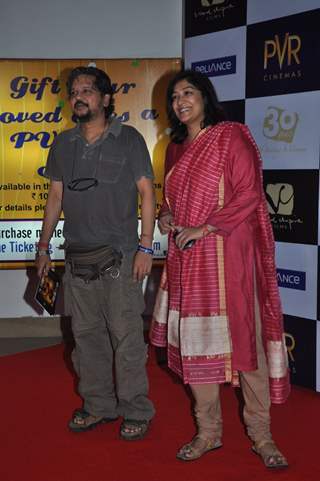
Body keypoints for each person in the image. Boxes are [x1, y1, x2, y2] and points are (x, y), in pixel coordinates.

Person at [150, 69, 290, 467]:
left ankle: (262, 437)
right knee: (198, 348)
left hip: (230, 259)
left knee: (246, 348)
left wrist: (205, 226)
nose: (180, 101)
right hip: (190, 261)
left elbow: (249, 194)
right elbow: (171, 201)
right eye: (174, 97)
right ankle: (208, 432)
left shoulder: (231, 136)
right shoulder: (174, 149)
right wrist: (167, 216)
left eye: (188, 92)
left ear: (205, 97)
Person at [36, 66, 155, 441]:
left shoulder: (129, 139)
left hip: (119, 259)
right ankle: (98, 405)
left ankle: (136, 409)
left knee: (127, 339)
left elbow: (147, 194)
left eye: (87, 90)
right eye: (74, 91)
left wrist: (145, 246)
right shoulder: (63, 144)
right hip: (77, 260)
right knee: (86, 340)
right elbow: (55, 198)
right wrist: (43, 247)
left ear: (105, 98)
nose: (78, 96)